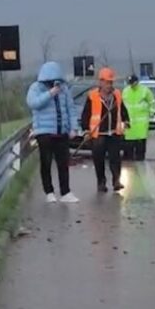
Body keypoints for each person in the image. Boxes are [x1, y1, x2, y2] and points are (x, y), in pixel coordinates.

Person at [26, 62, 80, 204]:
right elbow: (33, 103)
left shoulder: (64, 89)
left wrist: (73, 128)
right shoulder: (36, 88)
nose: (54, 83)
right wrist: (50, 94)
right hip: (44, 132)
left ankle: (65, 192)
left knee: (63, 163)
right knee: (46, 163)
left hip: (61, 132)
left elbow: (70, 108)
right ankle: (49, 192)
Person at [81, 67, 130, 192]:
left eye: (111, 82)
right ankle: (101, 182)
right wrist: (86, 130)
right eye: (107, 82)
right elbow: (86, 115)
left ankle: (116, 181)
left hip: (114, 133)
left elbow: (122, 109)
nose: (109, 85)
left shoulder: (117, 95)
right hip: (98, 134)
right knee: (99, 159)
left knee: (115, 158)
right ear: (101, 82)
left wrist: (126, 120)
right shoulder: (92, 96)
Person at [122, 75, 155, 161]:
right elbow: (122, 104)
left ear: (137, 82)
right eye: (130, 83)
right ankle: (129, 158)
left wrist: (151, 113)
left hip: (141, 124)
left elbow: (152, 102)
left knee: (140, 146)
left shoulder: (144, 90)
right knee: (129, 146)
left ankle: (140, 158)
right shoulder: (125, 91)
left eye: (133, 83)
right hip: (129, 123)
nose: (131, 85)